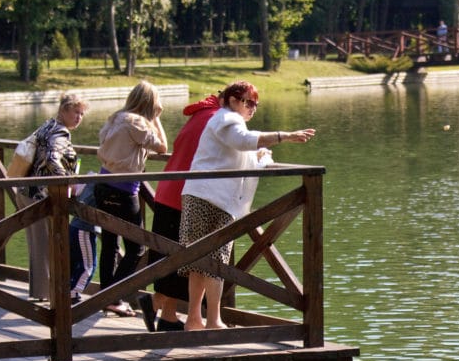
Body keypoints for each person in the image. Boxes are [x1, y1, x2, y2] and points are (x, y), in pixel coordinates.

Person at [179, 80, 315, 330]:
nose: (253, 108)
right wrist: (284, 136)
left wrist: (262, 157)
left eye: (256, 104)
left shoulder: (229, 123)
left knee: (202, 260)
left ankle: (196, 319)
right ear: (233, 101)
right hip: (210, 197)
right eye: (249, 102)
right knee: (212, 261)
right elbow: (243, 141)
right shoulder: (226, 120)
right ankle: (210, 320)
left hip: (209, 196)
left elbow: (245, 154)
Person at [138, 93, 222, 332]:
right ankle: (157, 304)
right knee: (185, 258)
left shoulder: (200, 115)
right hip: (186, 193)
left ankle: (167, 315)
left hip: (169, 187)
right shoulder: (218, 119)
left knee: (171, 257)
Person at [95, 80, 168, 318]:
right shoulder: (138, 122)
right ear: (150, 104)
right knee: (136, 248)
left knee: (109, 244)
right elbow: (163, 147)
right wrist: (156, 119)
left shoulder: (116, 118)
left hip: (103, 185)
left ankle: (108, 298)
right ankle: (112, 296)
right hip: (124, 190)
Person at [18, 93, 89, 301]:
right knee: (48, 245)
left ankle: (42, 293)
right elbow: (52, 159)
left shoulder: (48, 125)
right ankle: (51, 295)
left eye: (82, 114)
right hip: (41, 195)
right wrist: (68, 180)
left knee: (38, 245)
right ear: (63, 110)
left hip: (28, 190)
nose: (79, 117)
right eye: (75, 112)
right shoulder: (59, 133)